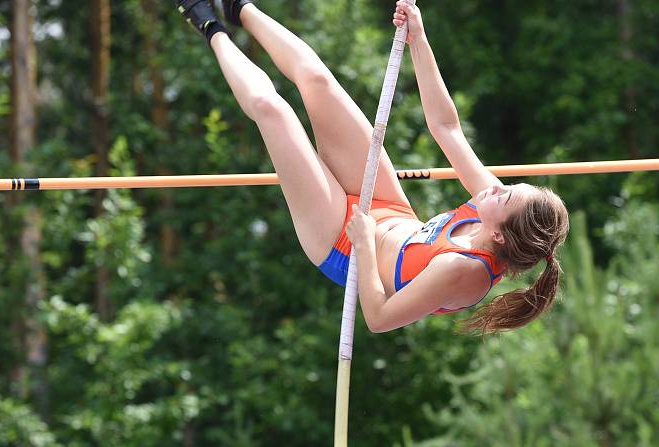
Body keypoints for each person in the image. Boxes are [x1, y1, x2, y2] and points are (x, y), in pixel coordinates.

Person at [176, 0, 569, 333]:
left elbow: (379, 318)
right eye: (509, 186)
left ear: (499, 236)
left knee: (273, 111)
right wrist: (419, 39)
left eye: (506, 196)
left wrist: (363, 241)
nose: (496, 187)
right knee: (317, 81)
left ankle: (209, 25)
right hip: (386, 207)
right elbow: (447, 128)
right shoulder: (491, 209)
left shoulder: (462, 271)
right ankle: (239, 6)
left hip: (343, 243)